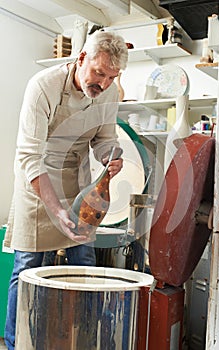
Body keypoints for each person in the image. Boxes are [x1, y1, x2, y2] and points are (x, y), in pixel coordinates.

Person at [4, 30, 128, 349]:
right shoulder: (43, 86)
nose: (103, 83)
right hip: (37, 186)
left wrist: (110, 156)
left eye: (112, 77)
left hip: (76, 184)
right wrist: (55, 209)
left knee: (83, 263)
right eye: (99, 73)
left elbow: (105, 139)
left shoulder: (109, 92)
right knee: (28, 269)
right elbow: (29, 156)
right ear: (81, 58)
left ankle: (79, 341)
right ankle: (17, 342)